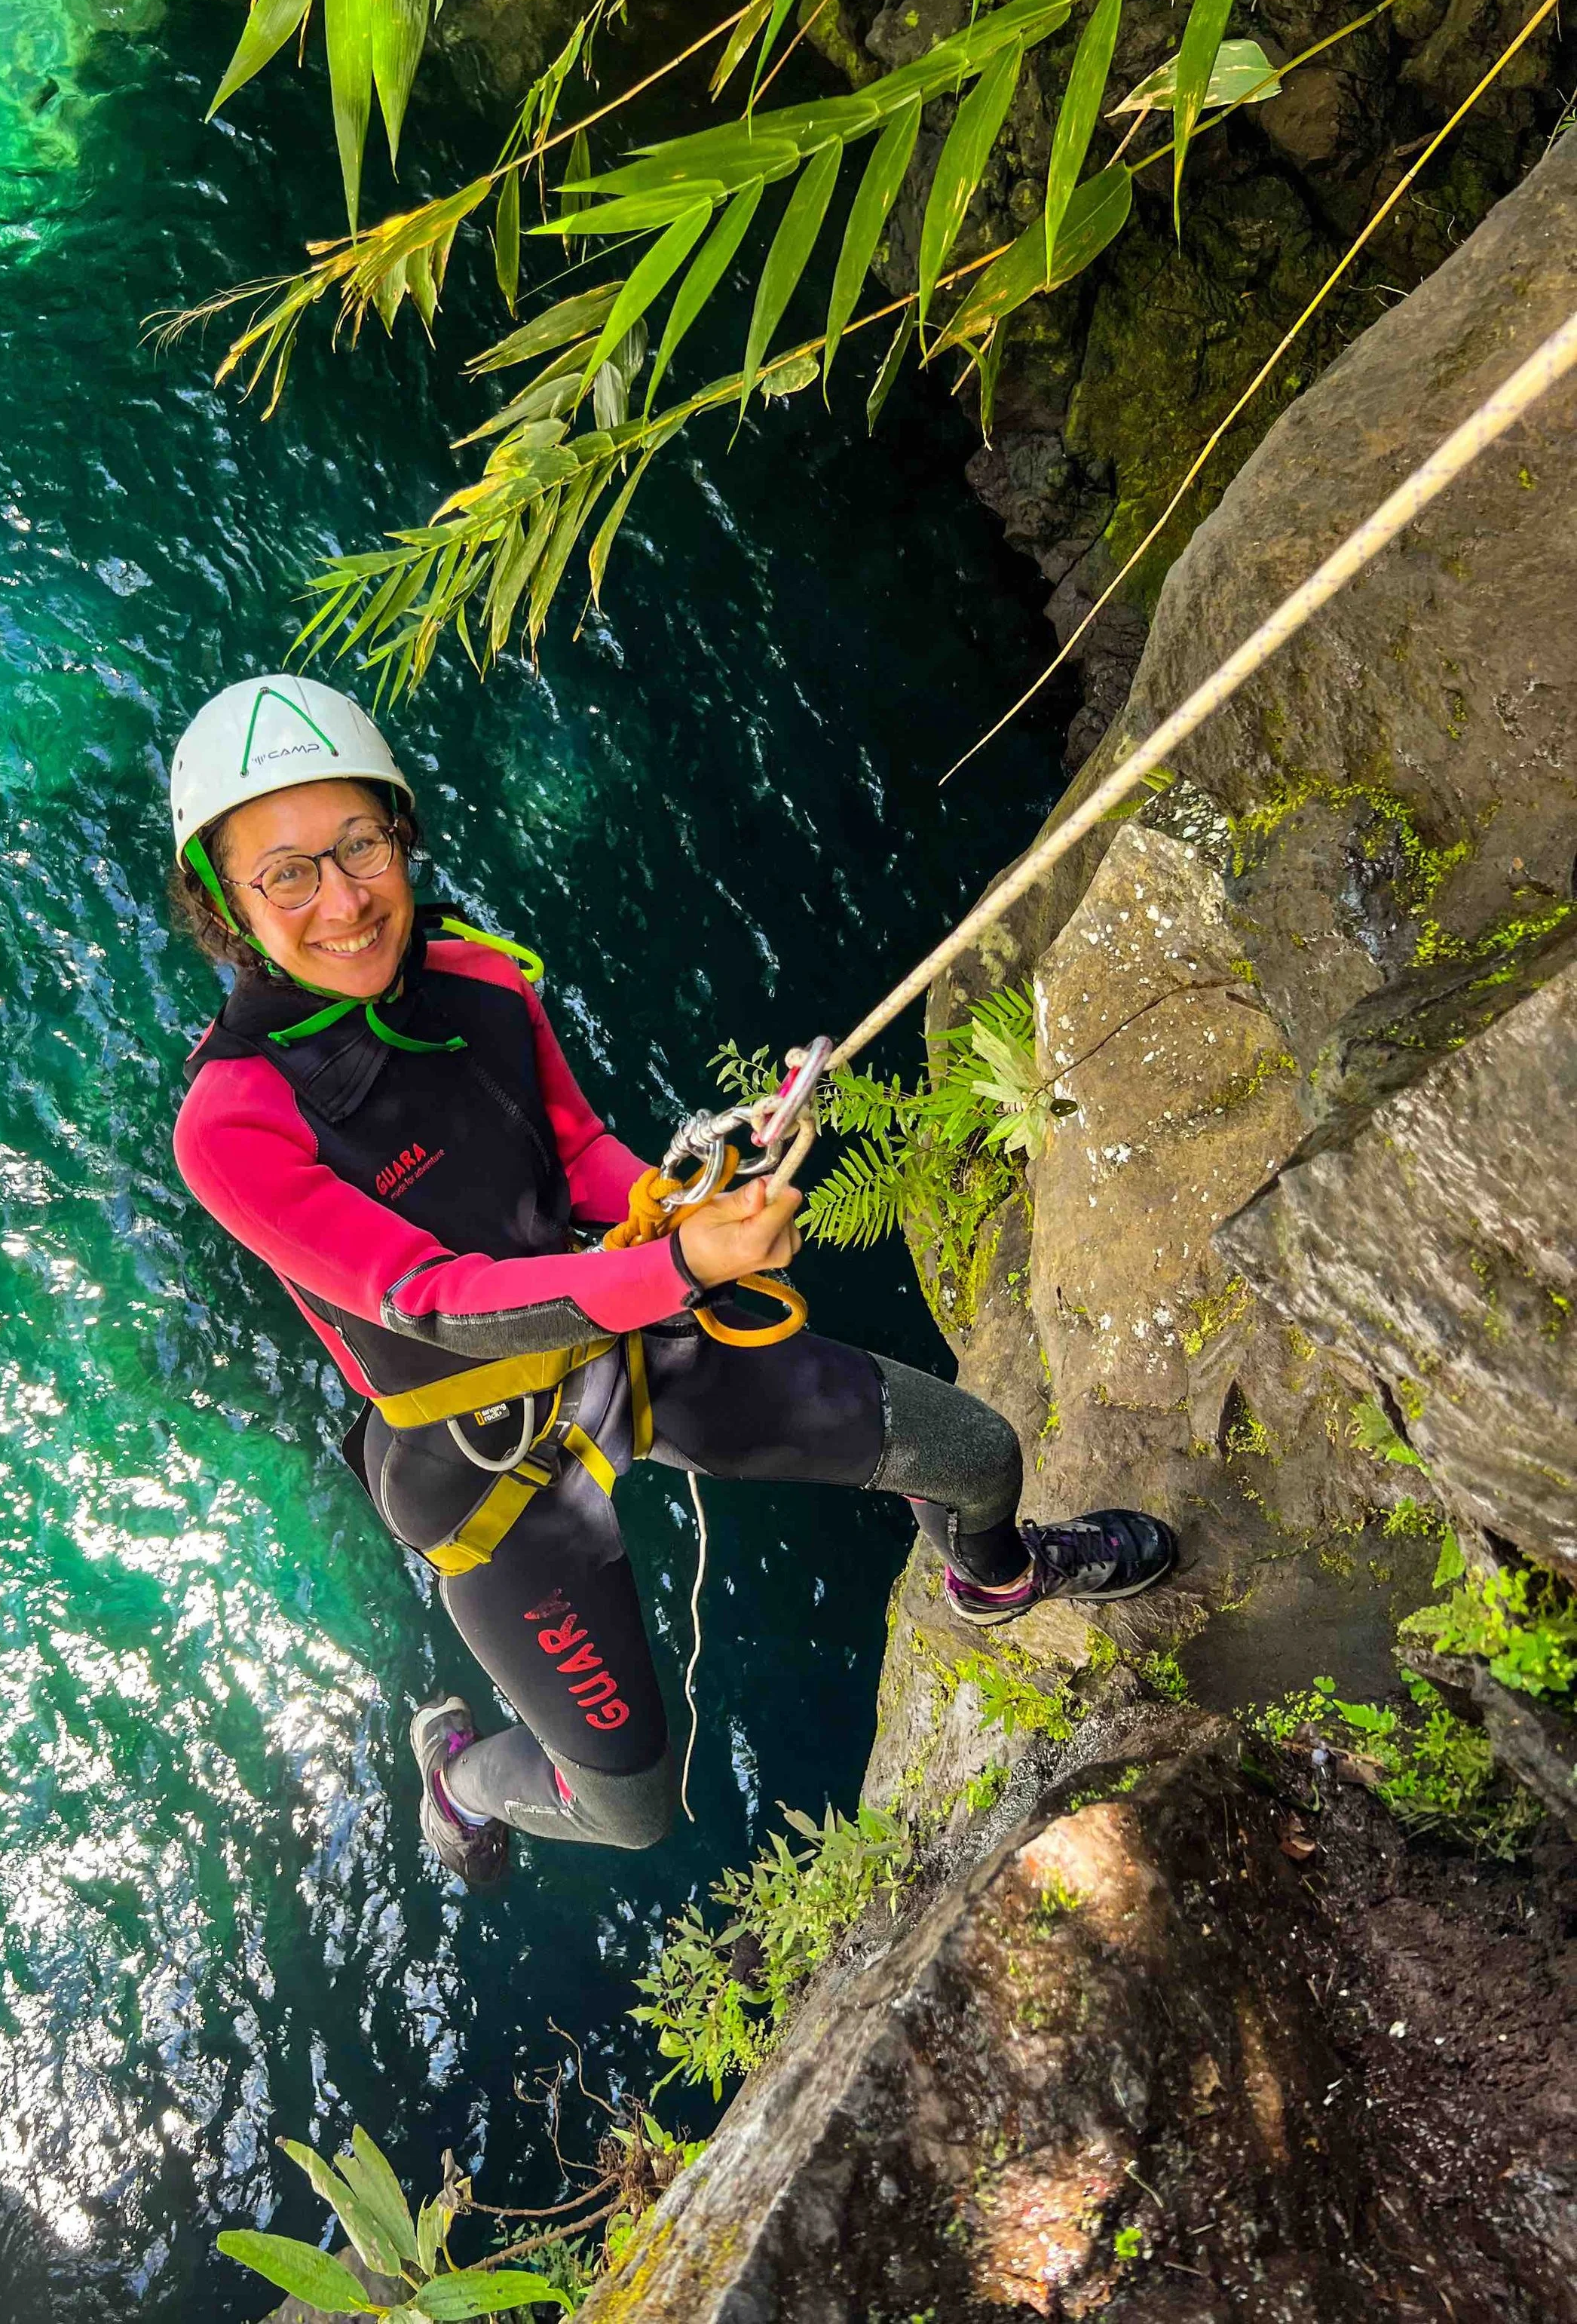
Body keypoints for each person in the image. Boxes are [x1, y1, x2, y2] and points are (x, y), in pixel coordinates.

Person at [167, 675, 1177, 1889]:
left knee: (975, 1456)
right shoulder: (234, 1124)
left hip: (627, 1334)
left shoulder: (479, 979)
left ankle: (996, 1578)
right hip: (488, 1468)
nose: (343, 899)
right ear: (228, 903)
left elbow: (579, 1153)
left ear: (400, 832)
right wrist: (683, 1265)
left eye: (361, 845)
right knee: (627, 1805)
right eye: (287, 873)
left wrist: (682, 1199)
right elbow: (428, 1298)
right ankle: (457, 1782)